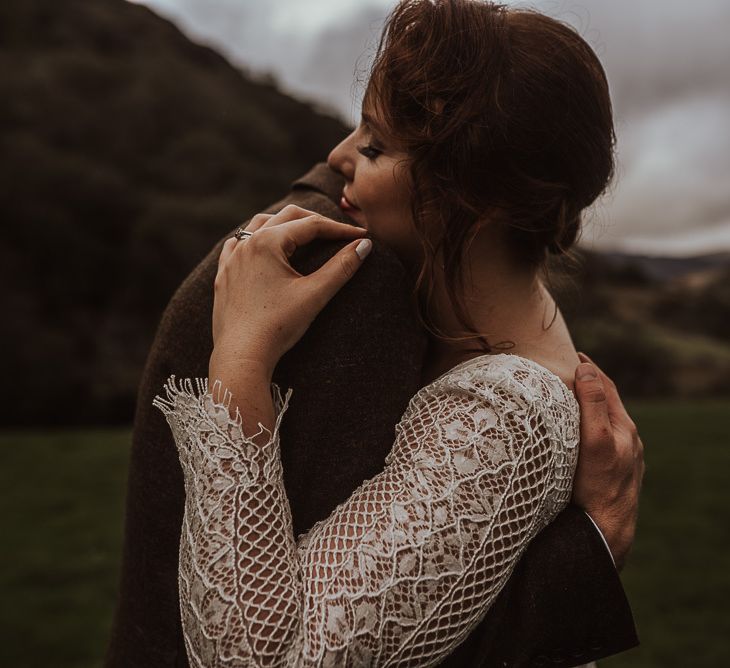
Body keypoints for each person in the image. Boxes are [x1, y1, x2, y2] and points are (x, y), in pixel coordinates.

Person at [105, 2, 643, 665]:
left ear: (471, 200)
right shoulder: (498, 324)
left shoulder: (503, 422)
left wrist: (241, 356)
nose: (337, 159)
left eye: (375, 146)